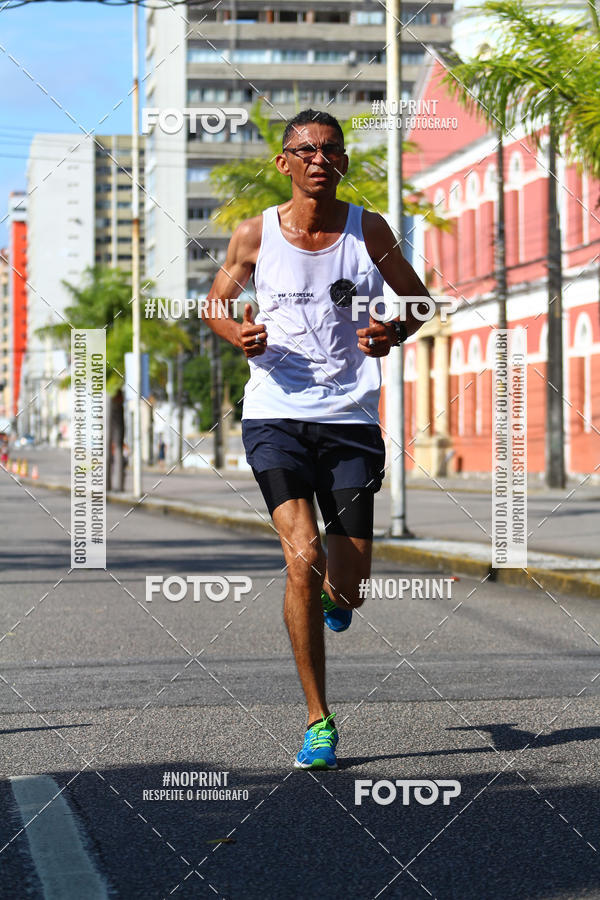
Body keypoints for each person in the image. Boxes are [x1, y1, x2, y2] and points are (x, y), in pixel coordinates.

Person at [203, 109, 429, 769]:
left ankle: (340, 596)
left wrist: (393, 332)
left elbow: (419, 301)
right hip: (274, 414)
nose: (318, 160)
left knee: (349, 586)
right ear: (284, 163)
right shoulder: (254, 234)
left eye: (330, 149)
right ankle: (318, 719)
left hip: (350, 419)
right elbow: (215, 303)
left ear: (344, 162)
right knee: (301, 555)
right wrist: (236, 333)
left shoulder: (369, 231)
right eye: (305, 150)